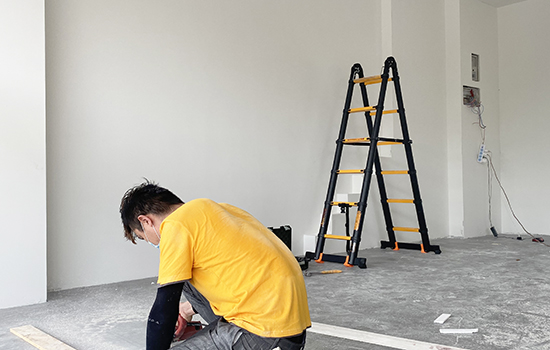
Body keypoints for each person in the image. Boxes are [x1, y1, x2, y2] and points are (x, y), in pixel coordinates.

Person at [119, 181, 311, 350]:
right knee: (183, 277)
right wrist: (185, 312)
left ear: (145, 221)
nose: (152, 242)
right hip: (290, 324)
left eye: (143, 237)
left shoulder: (174, 226)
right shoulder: (217, 210)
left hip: (265, 333)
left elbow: (164, 307)